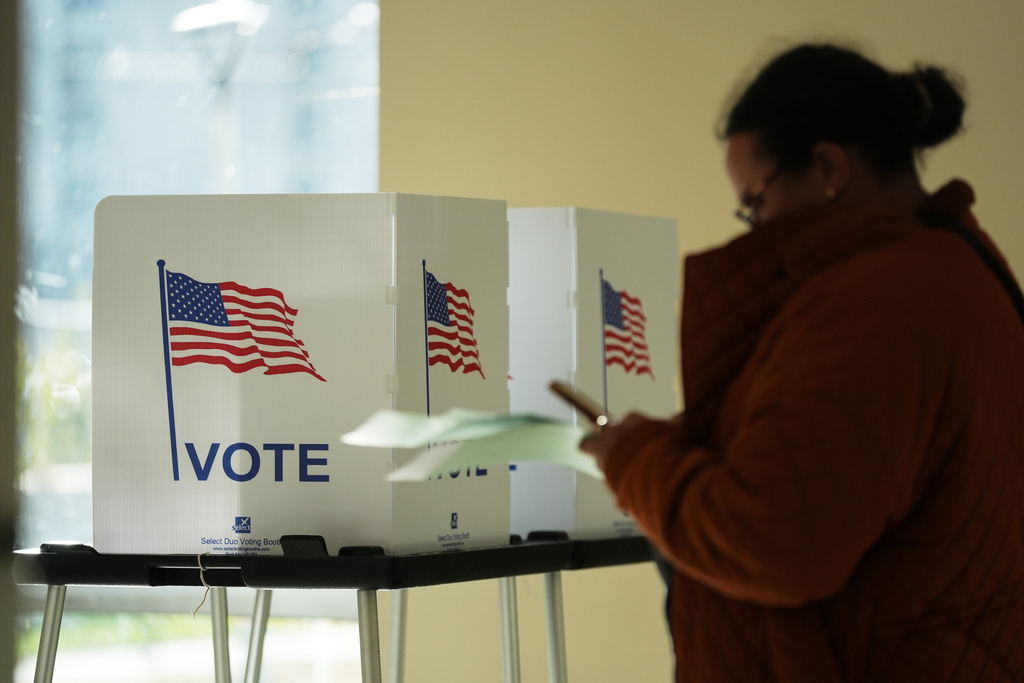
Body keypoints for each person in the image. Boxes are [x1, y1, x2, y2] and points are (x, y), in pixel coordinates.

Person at [580, 43, 1024, 682]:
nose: (753, 228)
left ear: (827, 169)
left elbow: (778, 542)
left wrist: (638, 460)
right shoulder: (962, 269)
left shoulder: (878, 299)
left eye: (754, 202)